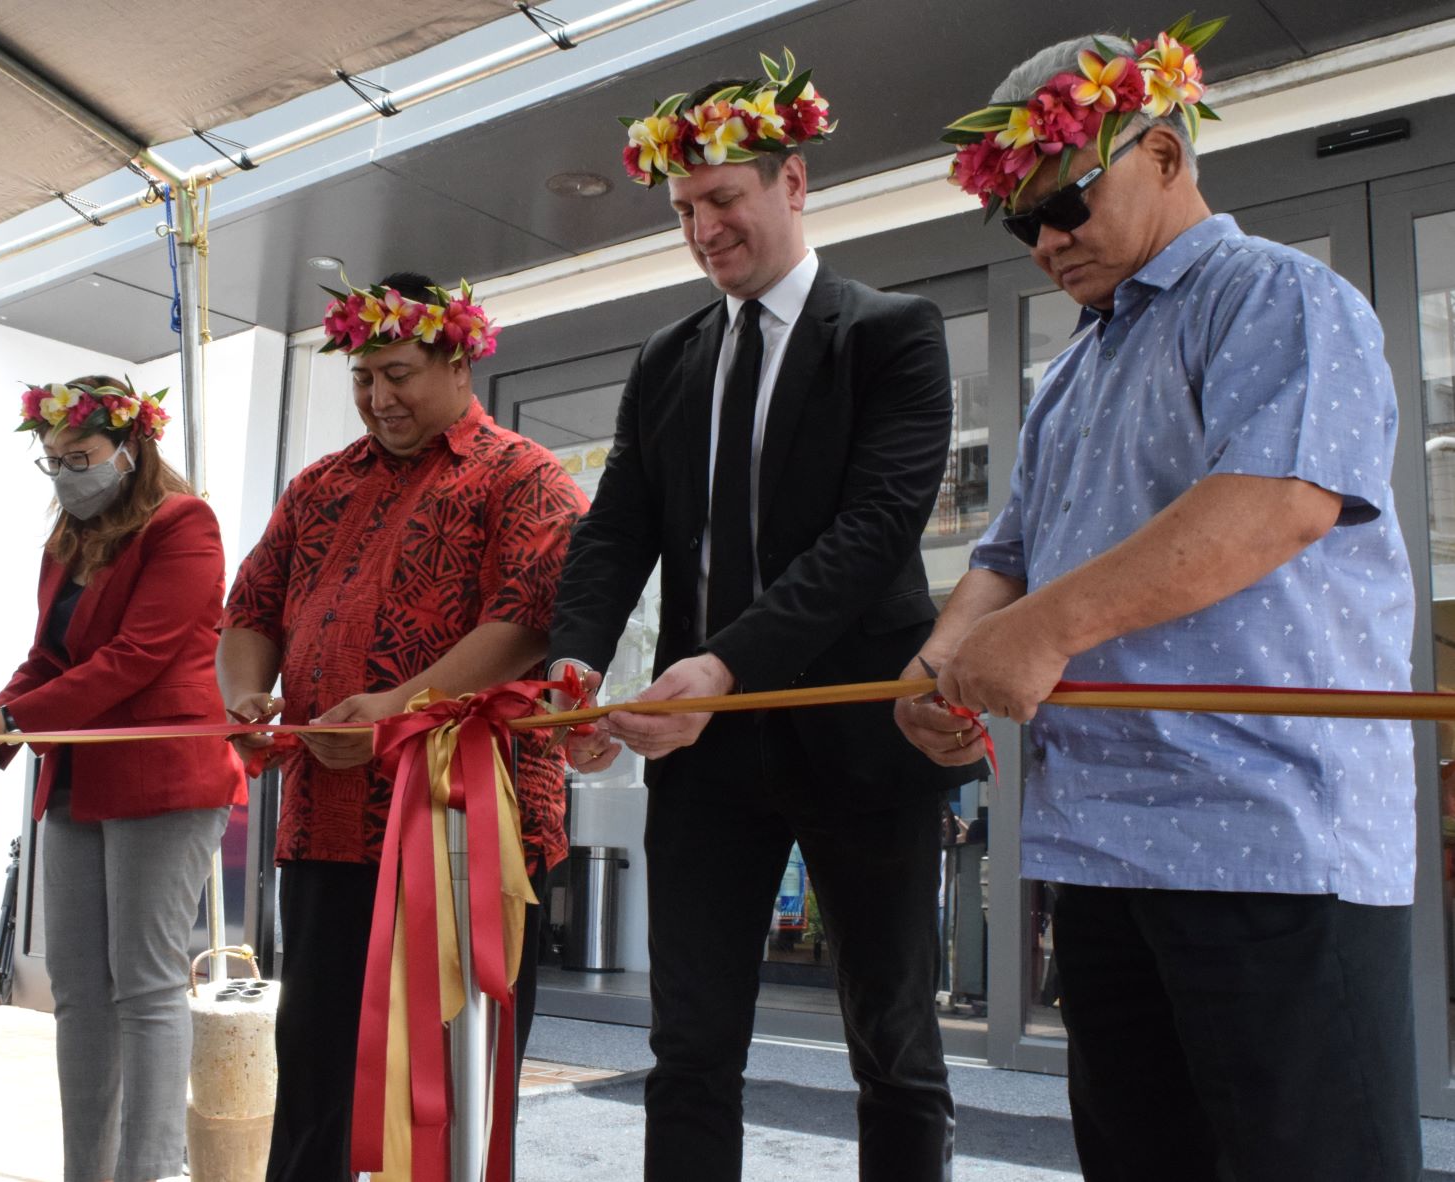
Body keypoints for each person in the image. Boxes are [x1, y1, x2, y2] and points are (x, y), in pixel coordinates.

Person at [898, 19, 1421, 1180]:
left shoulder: (1280, 296)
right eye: (1021, 223)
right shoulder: (1068, 374)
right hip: (1101, 848)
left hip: (1267, 835)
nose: (1046, 242)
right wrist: (943, 663)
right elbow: (1007, 554)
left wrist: (1042, 631)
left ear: (1168, 153)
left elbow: (1279, 501)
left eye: (1065, 205)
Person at [547, 52, 978, 1182]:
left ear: (794, 182)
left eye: (722, 199)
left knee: (893, 1042)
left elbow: (873, 533)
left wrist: (722, 668)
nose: (703, 230)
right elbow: (614, 532)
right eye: (683, 210)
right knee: (689, 1047)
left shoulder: (892, 331)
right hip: (706, 761)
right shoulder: (667, 358)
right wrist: (575, 664)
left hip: (860, 737)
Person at [216, 272, 587, 1182]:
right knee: (315, 1066)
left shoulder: (523, 474)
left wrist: (399, 707)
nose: (378, 397)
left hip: (465, 828)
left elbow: (529, 620)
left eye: (398, 374)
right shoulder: (318, 485)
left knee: (453, 1081)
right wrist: (245, 696)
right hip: (326, 818)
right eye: (362, 378)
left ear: (459, 364)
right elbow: (250, 609)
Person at [0, 376, 242, 1182]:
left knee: (145, 987)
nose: (66, 472)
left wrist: (10, 722)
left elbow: (137, 655)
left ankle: (147, 1171)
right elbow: (48, 657)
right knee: (76, 991)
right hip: (76, 774)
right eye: (53, 459)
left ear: (130, 447)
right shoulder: (67, 542)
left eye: (80, 456)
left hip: (162, 773)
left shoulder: (184, 522)